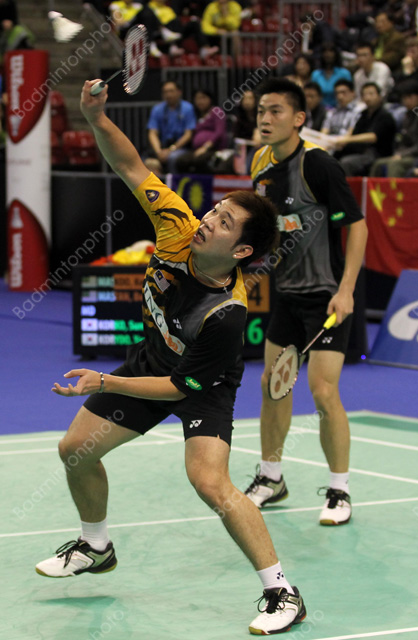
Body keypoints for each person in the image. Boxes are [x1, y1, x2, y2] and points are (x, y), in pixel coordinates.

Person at [35, 78, 307, 637]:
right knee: (75, 451)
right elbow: (131, 165)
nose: (209, 219)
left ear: (241, 251)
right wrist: (96, 118)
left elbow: (182, 390)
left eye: (224, 223)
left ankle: (282, 591)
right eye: (216, 210)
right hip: (151, 359)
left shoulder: (226, 314)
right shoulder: (177, 225)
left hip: (202, 385)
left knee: (209, 482)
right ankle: (96, 546)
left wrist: (104, 381)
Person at [244, 78, 368, 526]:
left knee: (323, 390)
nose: (265, 118)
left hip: (328, 294)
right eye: (261, 110)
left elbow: (357, 226)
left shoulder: (318, 165)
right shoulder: (260, 163)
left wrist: (347, 289)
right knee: (272, 385)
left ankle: (339, 490)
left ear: (298, 119)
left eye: (275, 111)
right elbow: (268, 228)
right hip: (288, 293)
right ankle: (271, 477)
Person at [334, 81, 397, 176]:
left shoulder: (385, 116)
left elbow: (373, 137)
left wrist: (347, 139)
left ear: (379, 96)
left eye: (371, 94)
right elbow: (354, 133)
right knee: (333, 157)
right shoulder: (363, 115)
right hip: (361, 151)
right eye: (364, 95)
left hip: (377, 154)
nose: (367, 98)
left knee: (347, 162)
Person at [146, 80, 196, 175]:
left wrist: (171, 150)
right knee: (149, 162)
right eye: (165, 92)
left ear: (179, 92)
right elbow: (152, 133)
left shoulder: (188, 108)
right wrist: (158, 151)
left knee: (172, 158)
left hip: (181, 148)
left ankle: (173, 183)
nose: (168, 95)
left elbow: (188, 134)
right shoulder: (157, 109)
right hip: (162, 147)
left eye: (171, 91)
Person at [369, 80, 418, 176]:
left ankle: (393, 187)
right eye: (404, 98)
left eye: (409, 97)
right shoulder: (406, 116)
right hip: (405, 154)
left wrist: (402, 155)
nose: (406, 101)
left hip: (414, 156)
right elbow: (400, 140)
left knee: (394, 165)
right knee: (378, 164)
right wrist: (398, 153)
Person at [175, 88, 228, 173]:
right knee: (181, 160)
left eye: (203, 98)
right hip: (196, 150)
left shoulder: (217, 111)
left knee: (199, 160)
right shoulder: (196, 114)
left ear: (210, 99)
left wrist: (205, 147)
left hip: (213, 149)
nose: (200, 101)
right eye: (197, 98)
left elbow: (219, 133)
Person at [311, 42, 352, 107]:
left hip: (340, 108)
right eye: (325, 51)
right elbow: (313, 94)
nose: (328, 54)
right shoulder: (316, 74)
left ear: (335, 54)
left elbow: (350, 93)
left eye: (331, 51)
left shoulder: (344, 73)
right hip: (320, 109)